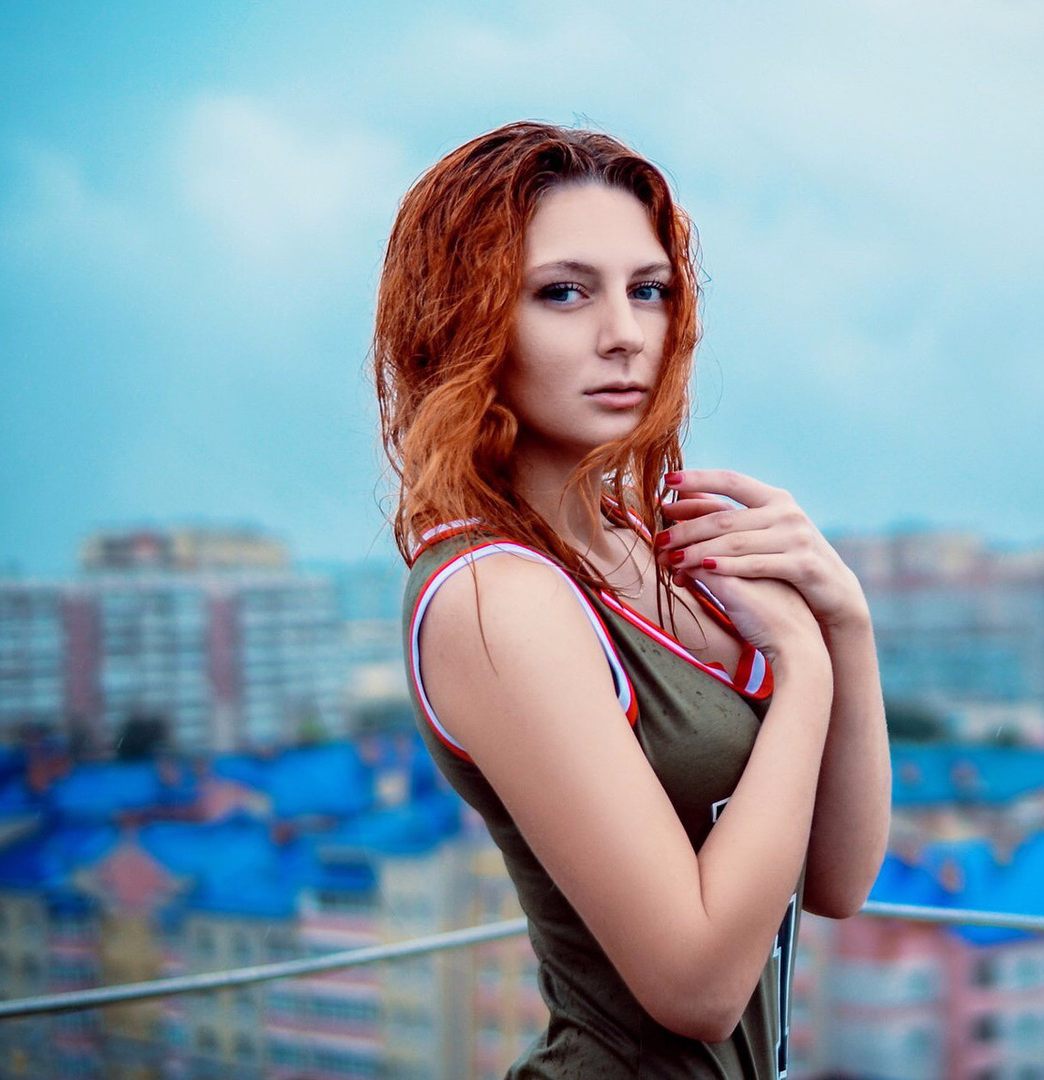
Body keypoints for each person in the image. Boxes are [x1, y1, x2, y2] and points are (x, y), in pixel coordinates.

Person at [375, 121, 891, 1079]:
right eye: (562, 292)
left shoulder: (654, 539)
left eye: (648, 290)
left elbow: (839, 877)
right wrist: (804, 670)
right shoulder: (495, 597)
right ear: (465, 316)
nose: (624, 333)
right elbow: (694, 988)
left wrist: (843, 622)